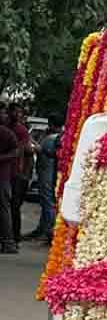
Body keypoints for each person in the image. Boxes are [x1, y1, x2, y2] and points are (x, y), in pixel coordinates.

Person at [24, 114, 61, 244]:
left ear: (51, 124)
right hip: (47, 173)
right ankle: (43, 228)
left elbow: (42, 150)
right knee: (46, 201)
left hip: (47, 173)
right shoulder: (56, 136)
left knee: (48, 202)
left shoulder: (53, 138)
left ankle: (48, 230)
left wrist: (31, 142)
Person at [8, 103, 35, 247]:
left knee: (14, 206)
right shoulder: (11, 128)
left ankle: (15, 237)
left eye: (20, 112)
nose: (18, 115)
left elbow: (26, 151)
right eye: (16, 112)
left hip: (18, 173)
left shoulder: (21, 130)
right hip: (11, 172)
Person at [0, 104, 21, 253]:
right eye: (2, 113)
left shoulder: (7, 133)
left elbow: (17, 151)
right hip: (5, 177)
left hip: (3, 176)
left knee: (4, 209)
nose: (5, 116)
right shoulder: (7, 132)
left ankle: (8, 242)